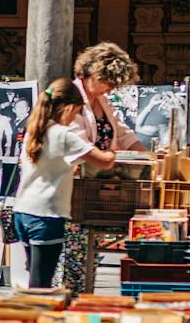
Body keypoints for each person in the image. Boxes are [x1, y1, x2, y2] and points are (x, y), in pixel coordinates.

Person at [61, 42, 150, 294]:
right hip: (73, 186)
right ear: (93, 74)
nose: (111, 88)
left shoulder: (101, 99)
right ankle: (70, 299)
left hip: (97, 186)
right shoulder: (70, 97)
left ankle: (80, 296)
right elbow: (75, 142)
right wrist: (107, 159)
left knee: (88, 254)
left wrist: (146, 157)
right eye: (108, 81)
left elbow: (121, 133)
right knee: (74, 254)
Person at [16, 79, 118, 287]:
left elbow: (53, 162)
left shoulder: (35, 130)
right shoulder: (63, 135)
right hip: (46, 215)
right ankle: (35, 317)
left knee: (35, 280)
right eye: (76, 113)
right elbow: (105, 161)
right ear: (68, 108)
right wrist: (114, 149)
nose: (74, 119)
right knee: (40, 285)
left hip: (23, 212)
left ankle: (31, 315)